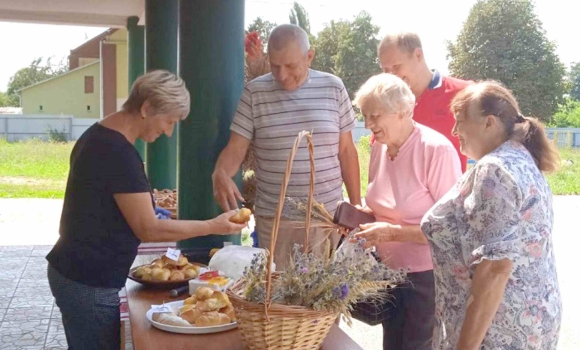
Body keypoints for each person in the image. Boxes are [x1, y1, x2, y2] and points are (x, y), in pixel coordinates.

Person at [46, 70, 246, 350]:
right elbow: (149, 228)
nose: (168, 131)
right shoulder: (116, 152)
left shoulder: (99, 136)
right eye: (169, 121)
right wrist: (214, 225)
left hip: (76, 272)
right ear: (147, 108)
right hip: (88, 280)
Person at [421, 81, 562, 349]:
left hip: (496, 332)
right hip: (528, 322)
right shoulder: (520, 158)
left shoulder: (494, 170)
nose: (453, 131)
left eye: (460, 121)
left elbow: (496, 268)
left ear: (489, 123)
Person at [212, 24, 361, 269]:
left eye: (290, 66)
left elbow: (346, 151)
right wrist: (221, 172)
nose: (281, 75)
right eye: (274, 66)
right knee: (276, 298)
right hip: (276, 221)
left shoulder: (333, 87)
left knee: (324, 301)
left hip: (327, 220)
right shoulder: (254, 92)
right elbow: (236, 148)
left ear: (310, 56)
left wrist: (355, 207)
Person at [351, 73, 462, 350]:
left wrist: (391, 232)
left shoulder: (435, 151)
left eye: (375, 115)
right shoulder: (379, 147)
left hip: (426, 278)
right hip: (388, 272)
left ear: (403, 111)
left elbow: (451, 229)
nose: (368, 125)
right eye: (365, 116)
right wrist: (358, 217)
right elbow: (383, 206)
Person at [374, 32, 471, 172]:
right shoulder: (385, 102)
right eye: (386, 70)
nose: (391, 76)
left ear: (418, 55)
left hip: (450, 191)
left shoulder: (464, 93)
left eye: (396, 67)